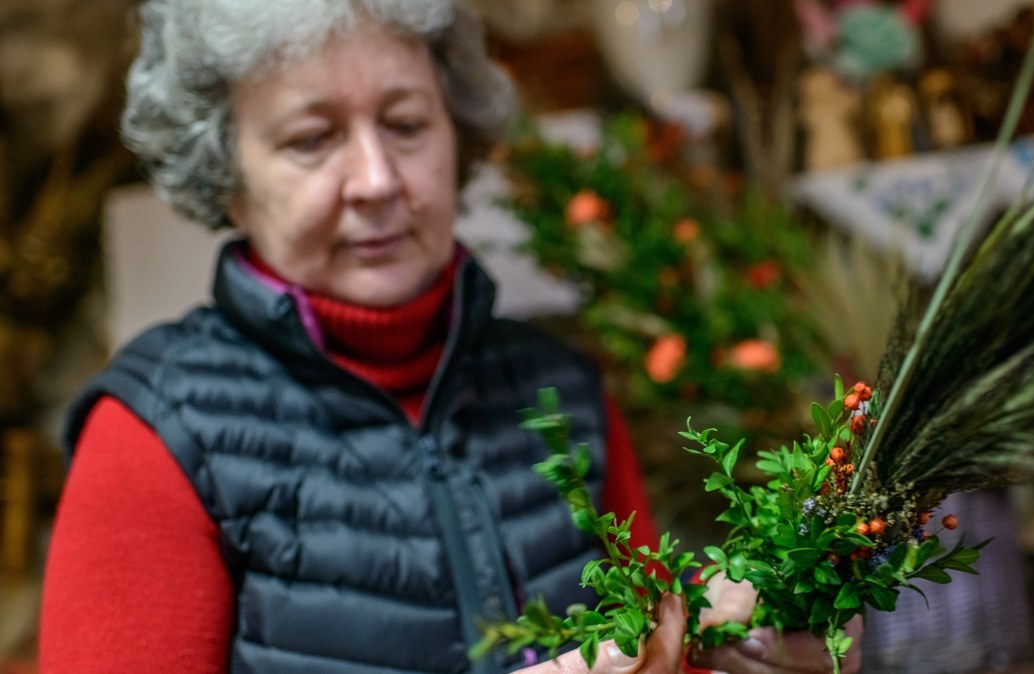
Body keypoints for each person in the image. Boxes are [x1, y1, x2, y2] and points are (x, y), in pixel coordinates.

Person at [38, 1, 861, 673]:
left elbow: (649, 641)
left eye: (405, 123)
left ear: (457, 135)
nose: (376, 181)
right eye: (311, 138)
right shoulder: (153, 436)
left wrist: (737, 649)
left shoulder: (559, 388)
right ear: (228, 182)